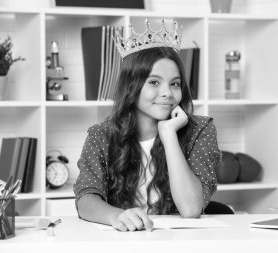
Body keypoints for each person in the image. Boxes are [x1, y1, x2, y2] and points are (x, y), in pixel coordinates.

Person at [73, 19, 221, 232]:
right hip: (124, 240)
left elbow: (190, 209)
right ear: (132, 86)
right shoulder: (101, 135)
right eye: (154, 82)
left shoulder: (200, 129)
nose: (167, 93)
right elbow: (86, 198)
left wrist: (169, 134)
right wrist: (118, 216)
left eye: (175, 84)